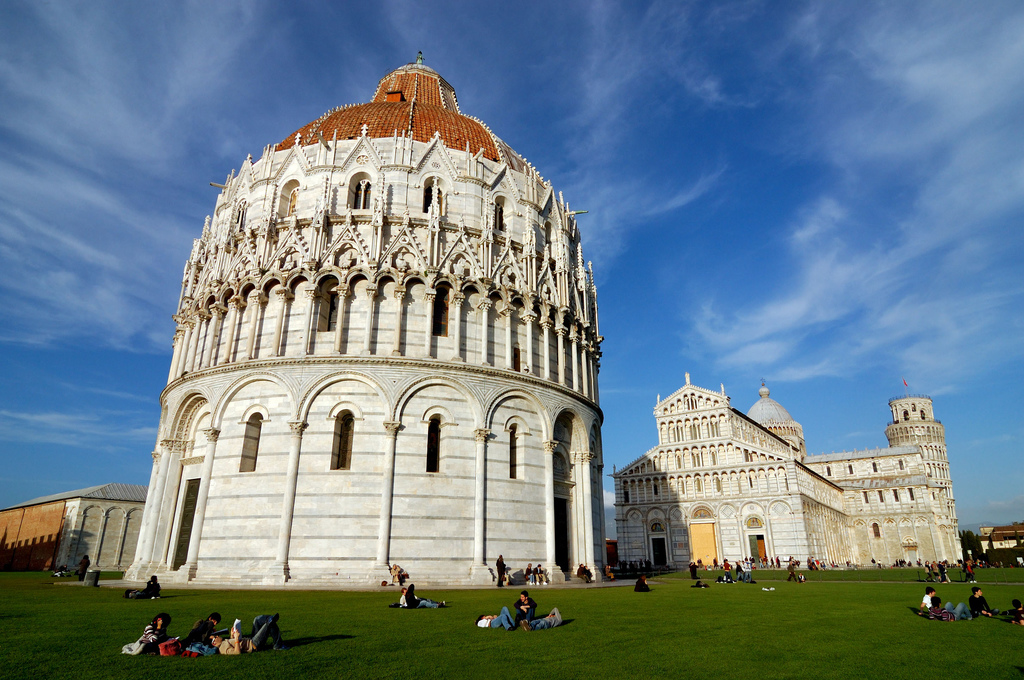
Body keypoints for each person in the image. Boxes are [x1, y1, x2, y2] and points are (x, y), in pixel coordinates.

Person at [213, 614, 289, 653]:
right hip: (253, 645)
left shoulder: (224, 642)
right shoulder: (222, 648)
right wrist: (236, 638)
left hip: (250, 640)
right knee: (269, 624)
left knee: (257, 620)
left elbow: (233, 643)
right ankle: (278, 645)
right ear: (214, 643)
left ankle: (270, 617)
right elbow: (236, 652)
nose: (217, 636)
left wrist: (232, 635)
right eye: (215, 637)